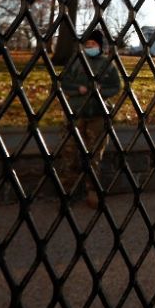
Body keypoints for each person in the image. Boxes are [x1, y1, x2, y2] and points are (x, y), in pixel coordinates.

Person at [58, 30, 122, 208]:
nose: (89, 47)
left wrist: (102, 91)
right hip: (76, 113)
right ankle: (68, 191)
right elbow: (63, 82)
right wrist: (77, 89)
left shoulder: (107, 65)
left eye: (92, 44)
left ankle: (92, 190)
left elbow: (116, 86)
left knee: (94, 155)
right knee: (70, 153)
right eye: (87, 45)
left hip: (98, 114)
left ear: (99, 46)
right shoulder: (76, 63)